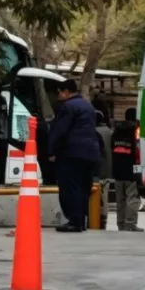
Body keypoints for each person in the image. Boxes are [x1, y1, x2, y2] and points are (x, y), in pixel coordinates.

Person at [48, 79, 103, 233]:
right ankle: (81, 220)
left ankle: (74, 221)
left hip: (71, 153)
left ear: (66, 92)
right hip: (90, 153)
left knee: (70, 187)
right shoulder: (88, 106)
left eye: (60, 92)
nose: (58, 95)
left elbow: (60, 130)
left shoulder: (68, 106)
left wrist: (52, 150)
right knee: (84, 187)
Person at [112, 107, 143, 232]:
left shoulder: (116, 131)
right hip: (131, 170)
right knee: (133, 198)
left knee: (120, 200)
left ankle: (120, 224)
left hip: (117, 170)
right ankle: (130, 224)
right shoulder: (136, 131)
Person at [93, 108, 113, 231]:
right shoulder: (111, 132)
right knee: (104, 195)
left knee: (96, 196)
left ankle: (96, 218)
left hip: (97, 171)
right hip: (108, 170)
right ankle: (104, 219)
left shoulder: (93, 133)